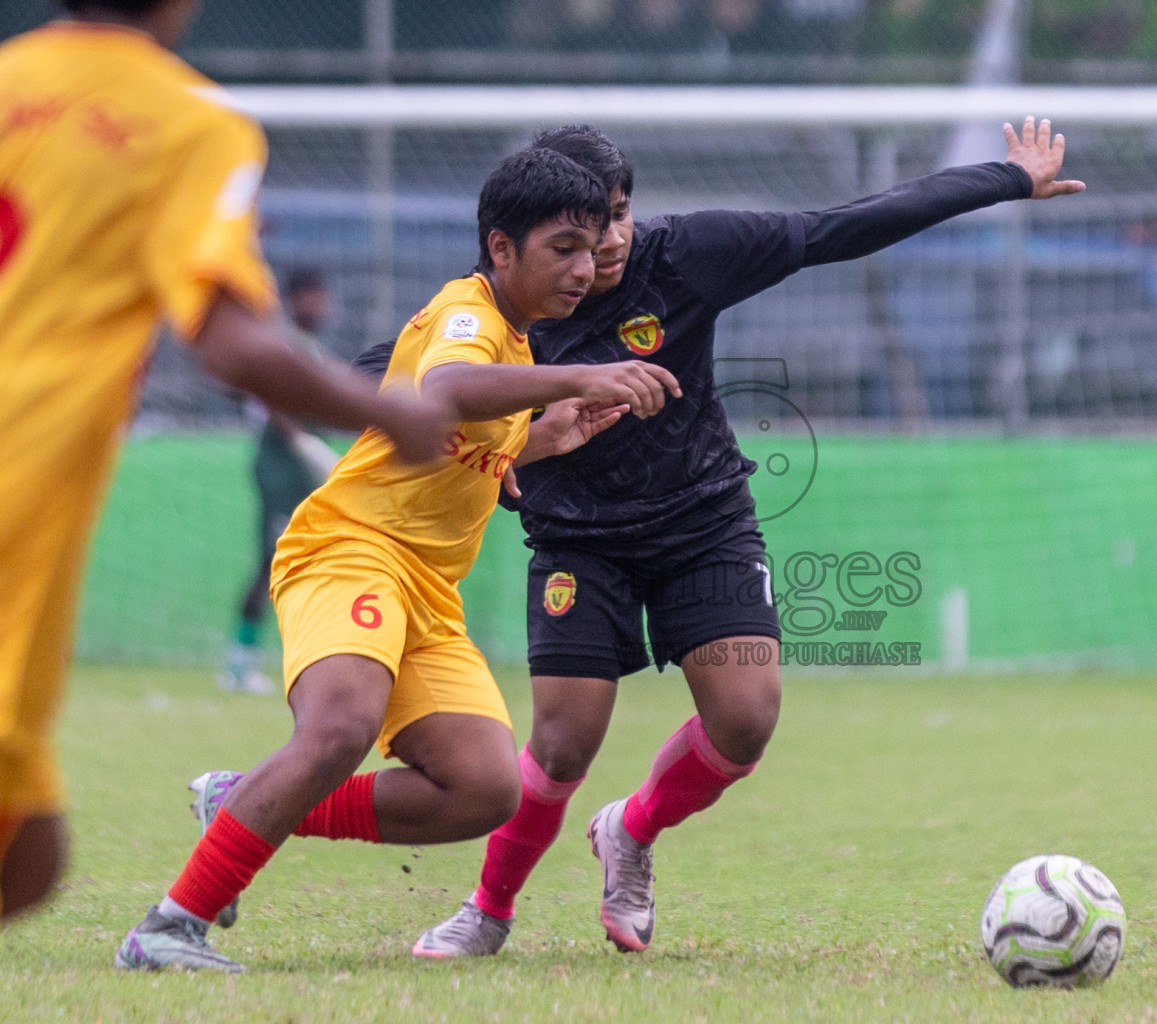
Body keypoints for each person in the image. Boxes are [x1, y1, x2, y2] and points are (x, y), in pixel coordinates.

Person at [393, 118, 1085, 957]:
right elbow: (403, 376)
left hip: (702, 521)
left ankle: (631, 832)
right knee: (564, 741)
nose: (606, 244)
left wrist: (1005, 180)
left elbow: (842, 227)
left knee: (747, 719)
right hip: (577, 536)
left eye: (618, 214)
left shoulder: (690, 253)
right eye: (582, 227)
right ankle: (489, 910)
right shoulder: (501, 302)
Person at [115, 147, 683, 973]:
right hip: (350, 550)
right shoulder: (468, 314)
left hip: (426, 593)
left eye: (592, 250)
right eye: (562, 246)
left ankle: (239, 805)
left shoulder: (520, 355)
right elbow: (448, 389)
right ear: (500, 248)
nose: (583, 267)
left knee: (484, 789)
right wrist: (583, 376)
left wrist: (546, 436)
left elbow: (479, 450)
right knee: (338, 727)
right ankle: (168, 928)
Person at [0, 0, 450, 924]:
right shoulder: (187, 123)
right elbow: (235, 346)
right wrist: (388, 413)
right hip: (17, 487)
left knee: (29, 851)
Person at [219, 268, 341, 696]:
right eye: (315, 297)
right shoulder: (283, 342)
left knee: (314, 560)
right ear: (297, 298)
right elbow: (267, 398)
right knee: (272, 560)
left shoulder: (312, 348)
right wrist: (302, 443)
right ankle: (239, 663)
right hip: (280, 464)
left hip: (304, 466)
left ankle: (316, 660)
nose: (323, 307)